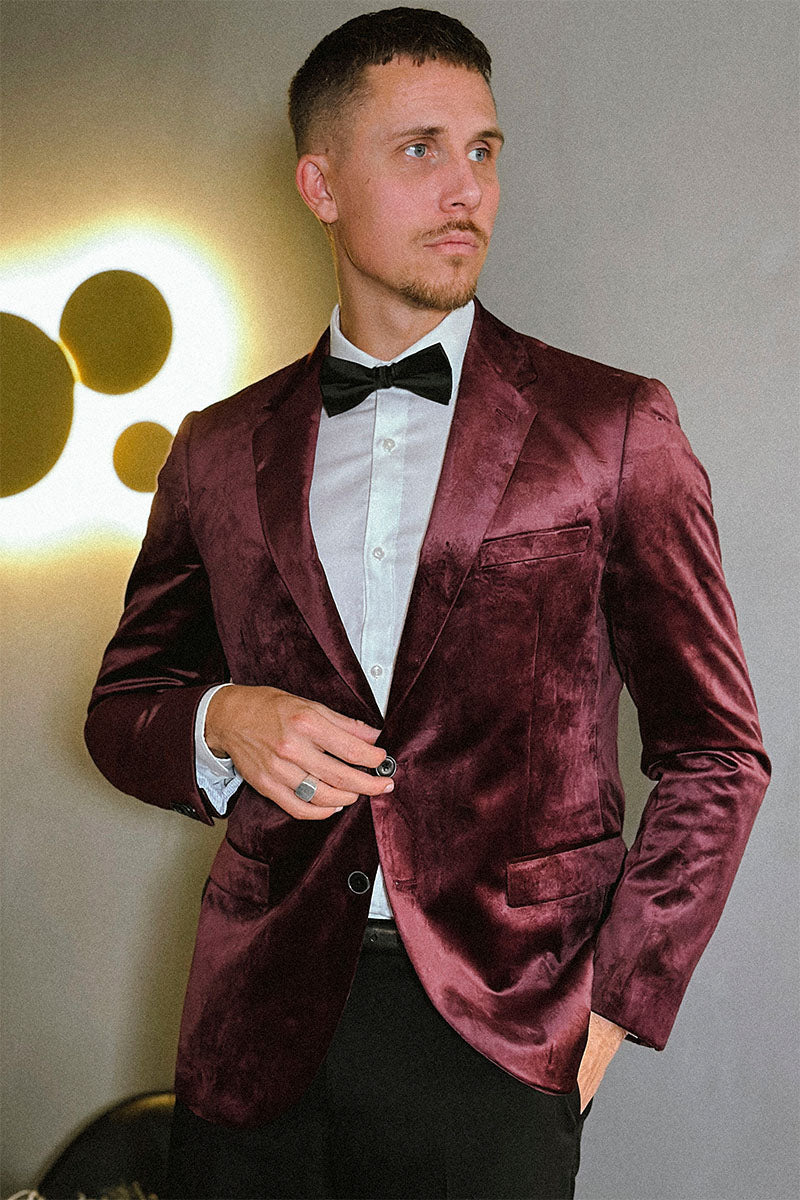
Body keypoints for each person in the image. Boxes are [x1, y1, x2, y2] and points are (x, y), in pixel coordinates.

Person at [84, 7, 770, 1199]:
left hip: (500, 1034)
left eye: (483, 151)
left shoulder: (614, 428)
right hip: (255, 1029)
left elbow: (716, 751)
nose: (466, 190)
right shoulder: (216, 447)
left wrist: (610, 1010)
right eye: (419, 149)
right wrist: (223, 718)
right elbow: (121, 707)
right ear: (320, 184)